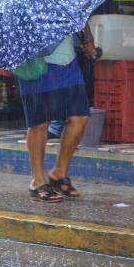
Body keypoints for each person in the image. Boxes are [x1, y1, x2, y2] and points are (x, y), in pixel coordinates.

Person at [17, 33, 95, 203]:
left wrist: (87, 35)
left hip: (67, 62)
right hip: (36, 62)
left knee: (80, 116)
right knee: (39, 122)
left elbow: (78, 11)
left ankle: (59, 173)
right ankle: (38, 182)